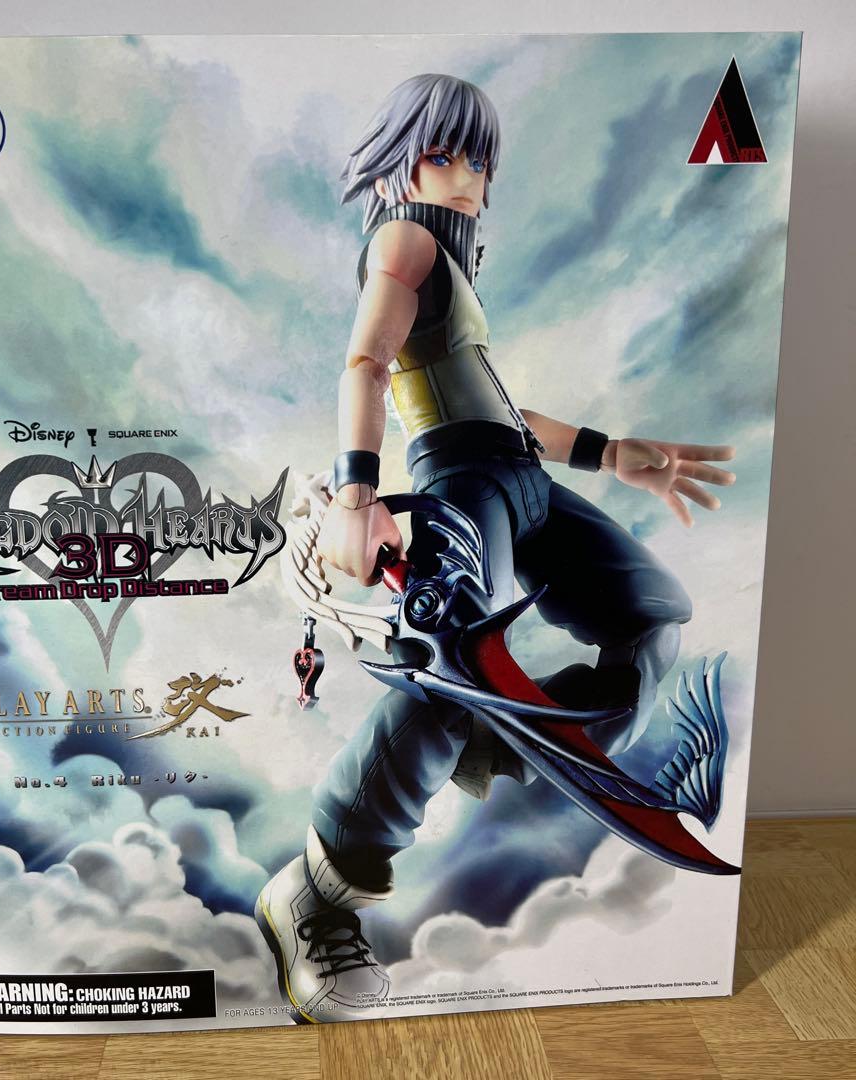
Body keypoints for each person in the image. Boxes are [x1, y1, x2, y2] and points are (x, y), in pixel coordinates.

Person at [255, 73, 735, 1024]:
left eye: (478, 160)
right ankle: (316, 890)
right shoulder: (403, 239)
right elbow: (366, 364)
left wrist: (611, 453)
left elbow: (501, 409)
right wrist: (355, 493)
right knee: (453, 663)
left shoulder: (454, 268)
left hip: (521, 477)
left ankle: (507, 734)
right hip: (465, 486)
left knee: (651, 619)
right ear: (400, 164)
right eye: (444, 155)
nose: (467, 177)